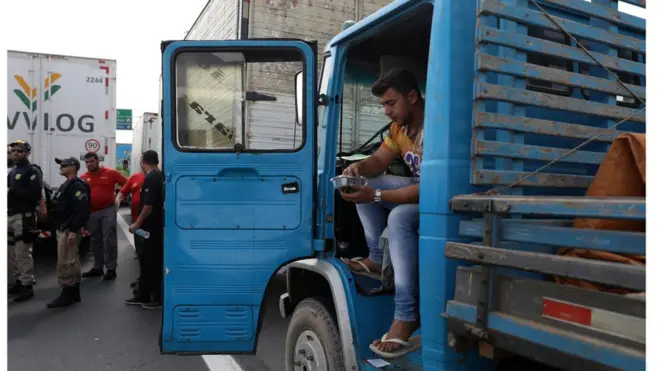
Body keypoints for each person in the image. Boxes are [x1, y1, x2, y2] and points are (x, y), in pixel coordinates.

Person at [339, 68, 424, 358]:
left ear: (411, 97)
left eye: (391, 103)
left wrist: (375, 195)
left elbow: (430, 189)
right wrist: (358, 169)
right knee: (360, 184)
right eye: (384, 105)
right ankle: (376, 259)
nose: (387, 111)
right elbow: (377, 161)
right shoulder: (399, 130)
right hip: (423, 190)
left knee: (398, 217)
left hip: (444, 198)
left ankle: (406, 315)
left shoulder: (435, 125)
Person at [47, 157, 91, 308]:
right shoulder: (67, 184)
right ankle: (74, 293)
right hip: (64, 228)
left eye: (64, 165)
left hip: (68, 229)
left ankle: (67, 293)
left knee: (66, 261)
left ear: (73, 167)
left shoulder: (77, 185)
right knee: (72, 260)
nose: (61, 167)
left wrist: (73, 230)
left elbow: (82, 210)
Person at [80, 152, 127, 280]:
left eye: (92, 161)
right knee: (95, 240)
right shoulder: (83, 178)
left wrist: (119, 197)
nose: (89, 164)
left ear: (97, 161)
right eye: (87, 162)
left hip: (108, 210)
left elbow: (126, 184)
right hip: (92, 212)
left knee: (109, 239)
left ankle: (111, 269)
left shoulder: (110, 173)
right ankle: (98, 267)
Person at [126, 150, 164, 310]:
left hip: (150, 228)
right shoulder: (159, 175)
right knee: (147, 261)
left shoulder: (151, 177)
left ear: (143, 162)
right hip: (154, 227)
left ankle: (155, 298)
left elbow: (148, 206)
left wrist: (137, 224)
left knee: (151, 262)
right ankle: (143, 293)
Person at [7, 140, 43, 302]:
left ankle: (27, 285)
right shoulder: (13, 172)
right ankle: (19, 281)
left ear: (27, 153)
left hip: (24, 216)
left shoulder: (32, 170)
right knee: (10, 253)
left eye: (20, 151)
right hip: (10, 215)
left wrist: (13, 191)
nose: (15, 153)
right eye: (13, 151)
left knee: (23, 252)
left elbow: (35, 194)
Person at [115, 167, 145, 288]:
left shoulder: (157, 177)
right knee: (140, 252)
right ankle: (142, 279)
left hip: (150, 223)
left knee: (148, 253)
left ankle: (147, 282)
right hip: (136, 221)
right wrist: (118, 199)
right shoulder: (135, 177)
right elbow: (123, 192)